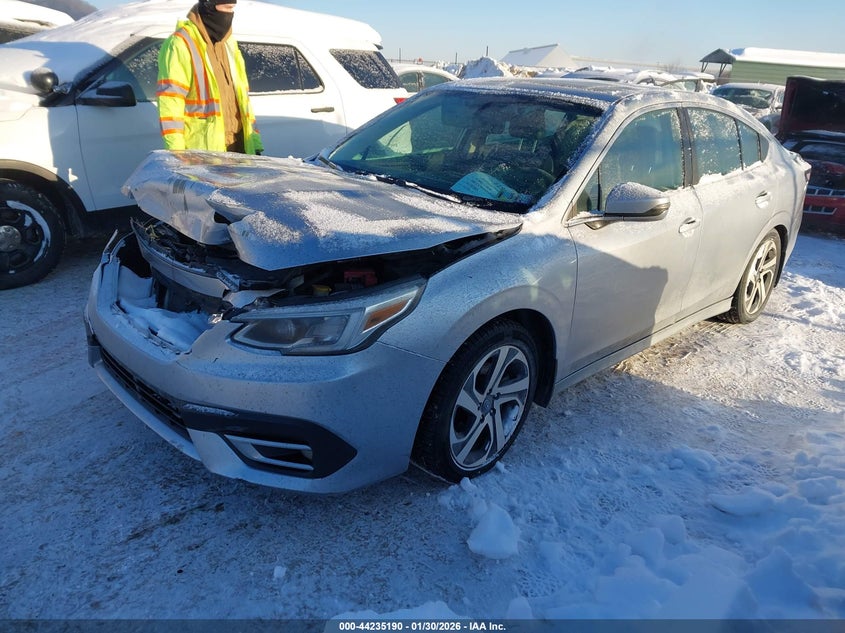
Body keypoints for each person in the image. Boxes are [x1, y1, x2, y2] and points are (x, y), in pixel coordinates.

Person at [156, 0, 263, 155]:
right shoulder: (181, 43)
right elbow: (171, 101)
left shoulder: (229, 43)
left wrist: (254, 142)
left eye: (232, 9)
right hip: (204, 152)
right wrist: (177, 153)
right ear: (209, 6)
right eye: (226, 8)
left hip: (239, 146)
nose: (229, 14)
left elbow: (243, 99)